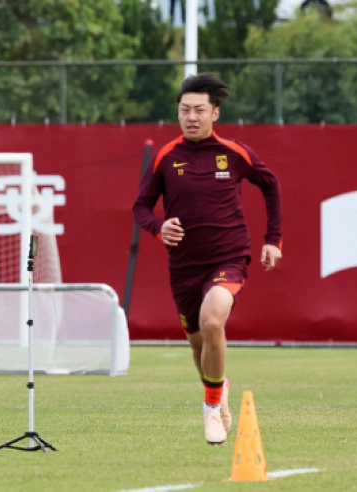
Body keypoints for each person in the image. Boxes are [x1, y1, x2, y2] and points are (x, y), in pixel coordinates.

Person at [132, 73, 283, 445]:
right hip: (184, 268)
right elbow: (140, 207)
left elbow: (271, 185)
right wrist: (157, 226)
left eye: (200, 110)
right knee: (200, 349)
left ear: (215, 113)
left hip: (229, 257)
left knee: (213, 320)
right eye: (185, 110)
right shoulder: (167, 158)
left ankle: (211, 409)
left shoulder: (234, 153)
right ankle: (219, 389)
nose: (192, 117)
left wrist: (273, 239)